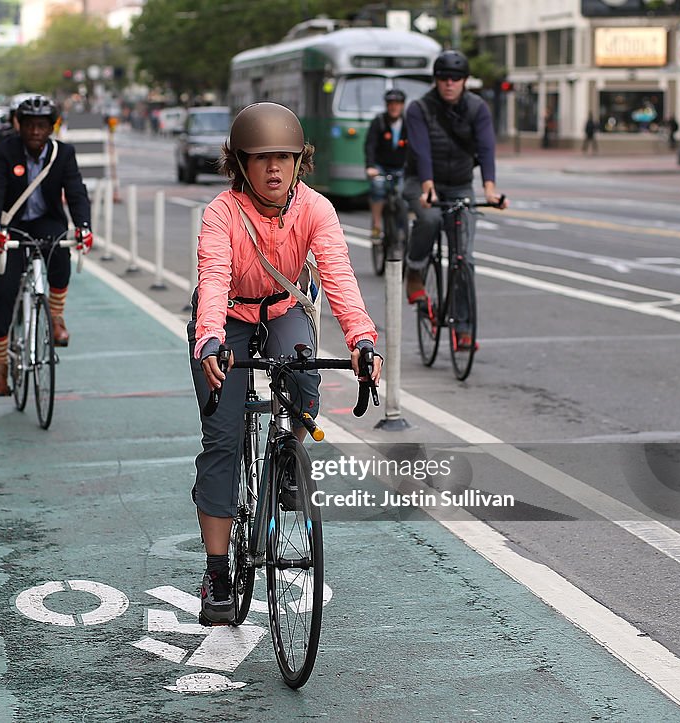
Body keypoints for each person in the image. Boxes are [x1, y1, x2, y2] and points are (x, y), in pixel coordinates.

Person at [188, 102, 383, 624]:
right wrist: (208, 340)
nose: (275, 169)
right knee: (223, 439)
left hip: (283, 308)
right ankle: (218, 568)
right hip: (227, 317)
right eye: (262, 158)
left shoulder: (316, 209)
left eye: (285, 158)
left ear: (300, 161)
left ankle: (287, 464)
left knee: (305, 381)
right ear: (240, 165)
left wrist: (363, 340)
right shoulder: (221, 214)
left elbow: (338, 277)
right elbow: (212, 279)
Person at [0, 94, 93, 396]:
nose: (35, 131)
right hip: (11, 224)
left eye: (42, 125)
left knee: (60, 250)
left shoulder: (63, 154)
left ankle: (56, 317)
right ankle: (0, 366)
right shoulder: (5, 152)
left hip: (46, 220)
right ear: (19, 125)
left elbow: (77, 192)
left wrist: (84, 227)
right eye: (29, 125)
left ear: (51, 127)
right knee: (3, 292)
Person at [403, 49, 507, 352]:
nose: (450, 83)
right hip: (420, 183)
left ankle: (463, 327)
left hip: (460, 184)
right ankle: (415, 269)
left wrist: (490, 189)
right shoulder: (419, 108)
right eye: (444, 78)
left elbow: (486, 148)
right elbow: (421, 149)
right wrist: (427, 186)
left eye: (456, 78)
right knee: (430, 218)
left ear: (465, 81)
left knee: (465, 258)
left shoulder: (477, 108)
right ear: (436, 80)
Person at [364, 88, 409, 241]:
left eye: (397, 103)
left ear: (402, 105)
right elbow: (370, 145)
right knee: (378, 188)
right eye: (390, 103)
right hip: (381, 166)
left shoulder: (408, 124)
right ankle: (377, 224)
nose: (394, 107)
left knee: (404, 193)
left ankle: (403, 227)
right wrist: (371, 166)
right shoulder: (379, 122)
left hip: (401, 167)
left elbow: (416, 147)